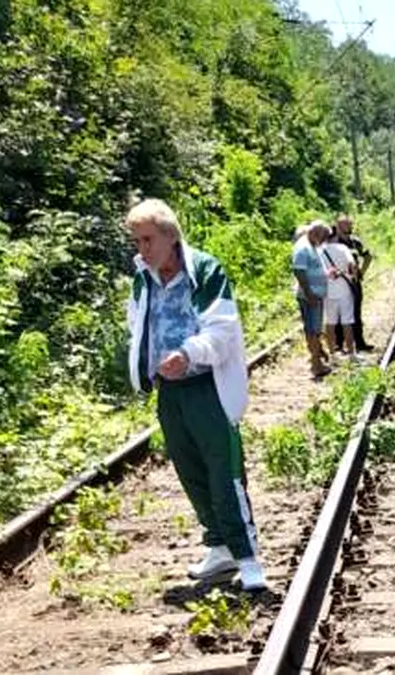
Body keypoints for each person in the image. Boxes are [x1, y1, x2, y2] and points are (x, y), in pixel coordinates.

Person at [123, 198, 267, 591]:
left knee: (225, 473)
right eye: (137, 241)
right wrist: (146, 366)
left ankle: (247, 556)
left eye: (148, 239)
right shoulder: (143, 278)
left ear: (171, 236)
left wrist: (188, 354)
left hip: (208, 386)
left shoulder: (204, 270)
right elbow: (137, 325)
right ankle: (218, 547)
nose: (143, 249)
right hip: (170, 391)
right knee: (189, 469)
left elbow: (222, 329)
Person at [292, 221, 332, 377]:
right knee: (312, 330)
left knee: (314, 329)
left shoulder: (311, 245)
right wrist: (309, 294)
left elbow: (312, 269)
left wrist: (327, 275)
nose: (323, 243)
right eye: (323, 239)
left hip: (315, 296)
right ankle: (316, 365)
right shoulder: (303, 248)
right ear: (316, 233)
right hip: (310, 298)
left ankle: (317, 360)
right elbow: (299, 272)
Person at [332, 214, 374, 352]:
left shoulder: (356, 242)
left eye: (350, 224)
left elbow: (368, 256)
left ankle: (360, 343)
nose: (350, 227)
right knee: (338, 314)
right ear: (338, 226)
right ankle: (339, 344)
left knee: (356, 313)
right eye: (347, 225)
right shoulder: (333, 242)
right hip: (339, 283)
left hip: (354, 283)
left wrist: (361, 272)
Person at [320, 226, 359, 359]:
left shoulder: (320, 250)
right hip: (344, 291)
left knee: (330, 323)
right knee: (347, 322)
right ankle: (351, 354)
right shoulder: (343, 248)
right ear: (336, 235)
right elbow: (352, 265)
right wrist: (353, 277)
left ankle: (332, 354)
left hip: (328, 292)